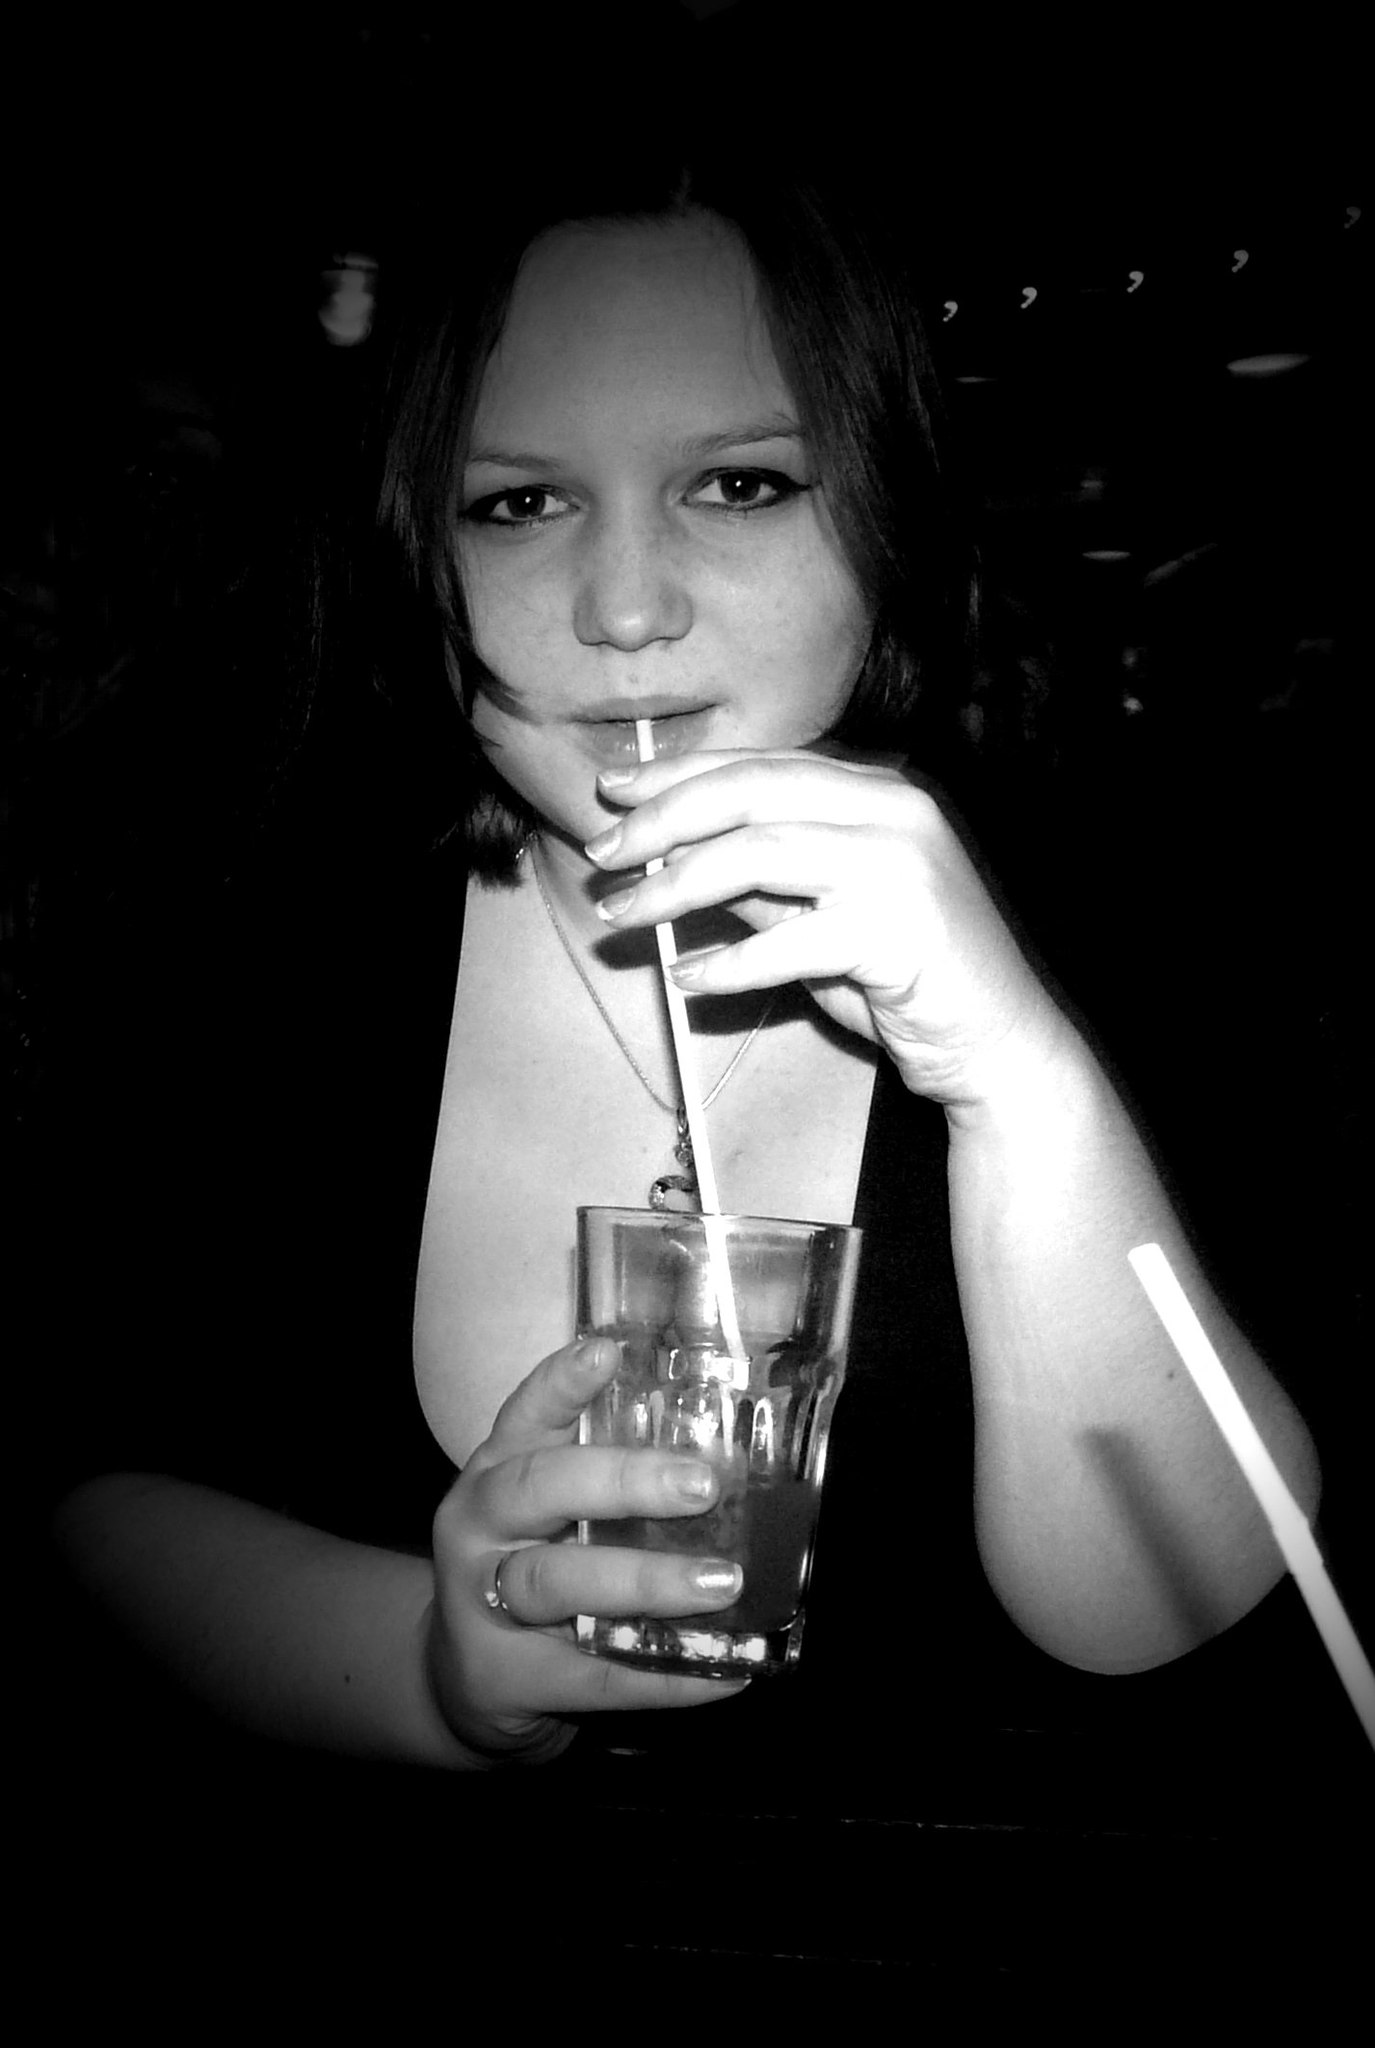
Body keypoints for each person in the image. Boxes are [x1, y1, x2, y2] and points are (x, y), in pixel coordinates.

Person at [39, 119, 1327, 1792]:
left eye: (740, 483)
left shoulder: (1140, 922)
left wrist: (1024, 1095)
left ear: (884, 505)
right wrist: (431, 1665)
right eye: (519, 503)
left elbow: (1175, 1622)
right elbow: (95, 1478)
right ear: (421, 546)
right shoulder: (275, 938)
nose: (627, 607)